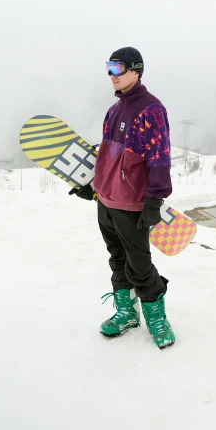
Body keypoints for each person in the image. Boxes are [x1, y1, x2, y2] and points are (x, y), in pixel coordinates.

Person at [70, 46, 175, 348]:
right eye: (108, 67)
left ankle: (157, 317)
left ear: (135, 70)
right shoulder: (114, 110)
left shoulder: (151, 109)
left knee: (139, 264)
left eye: (117, 68)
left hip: (132, 203)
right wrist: (93, 185)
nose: (110, 75)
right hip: (106, 199)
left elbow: (160, 157)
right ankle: (126, 313)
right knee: (117, 259)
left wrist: (155, 199)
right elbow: (108, 156)